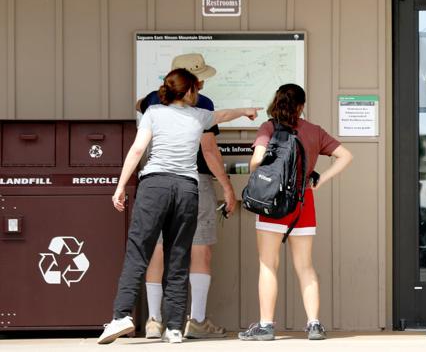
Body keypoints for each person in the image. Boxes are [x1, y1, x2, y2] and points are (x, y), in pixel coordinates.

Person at [98, 69, 260, 345]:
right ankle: (174, 327)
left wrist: (120, 185)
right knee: (179, 256)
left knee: (139, 250)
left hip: (155, 186)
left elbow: (137, 150)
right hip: (187, 188)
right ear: (188, 92)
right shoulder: (199, 116)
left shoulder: (153, 113)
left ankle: (121, 316)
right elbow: (224, 114)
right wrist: (246, 111)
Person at [239, 84, 353, 341]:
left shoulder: (269, 128)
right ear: (302, 105)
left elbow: (255, 163)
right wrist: (320, 179)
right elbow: (346, 156)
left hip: (273, 203)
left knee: (268, 264)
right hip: (303, 203)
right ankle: (314, 324)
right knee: (305, 266)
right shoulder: (314, 131)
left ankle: (266, 326)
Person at [135, 54, 235, 340]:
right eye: (200, 77)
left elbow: (138, 110)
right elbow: (209, 149)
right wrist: (227, 188)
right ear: (192, 80)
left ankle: (154, 320)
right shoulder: (200, 103)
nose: (203, 82)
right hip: (194, 180)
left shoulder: (152, 101)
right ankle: (197, 320)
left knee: (158, 247)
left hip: (154, 181)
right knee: (199, 247)